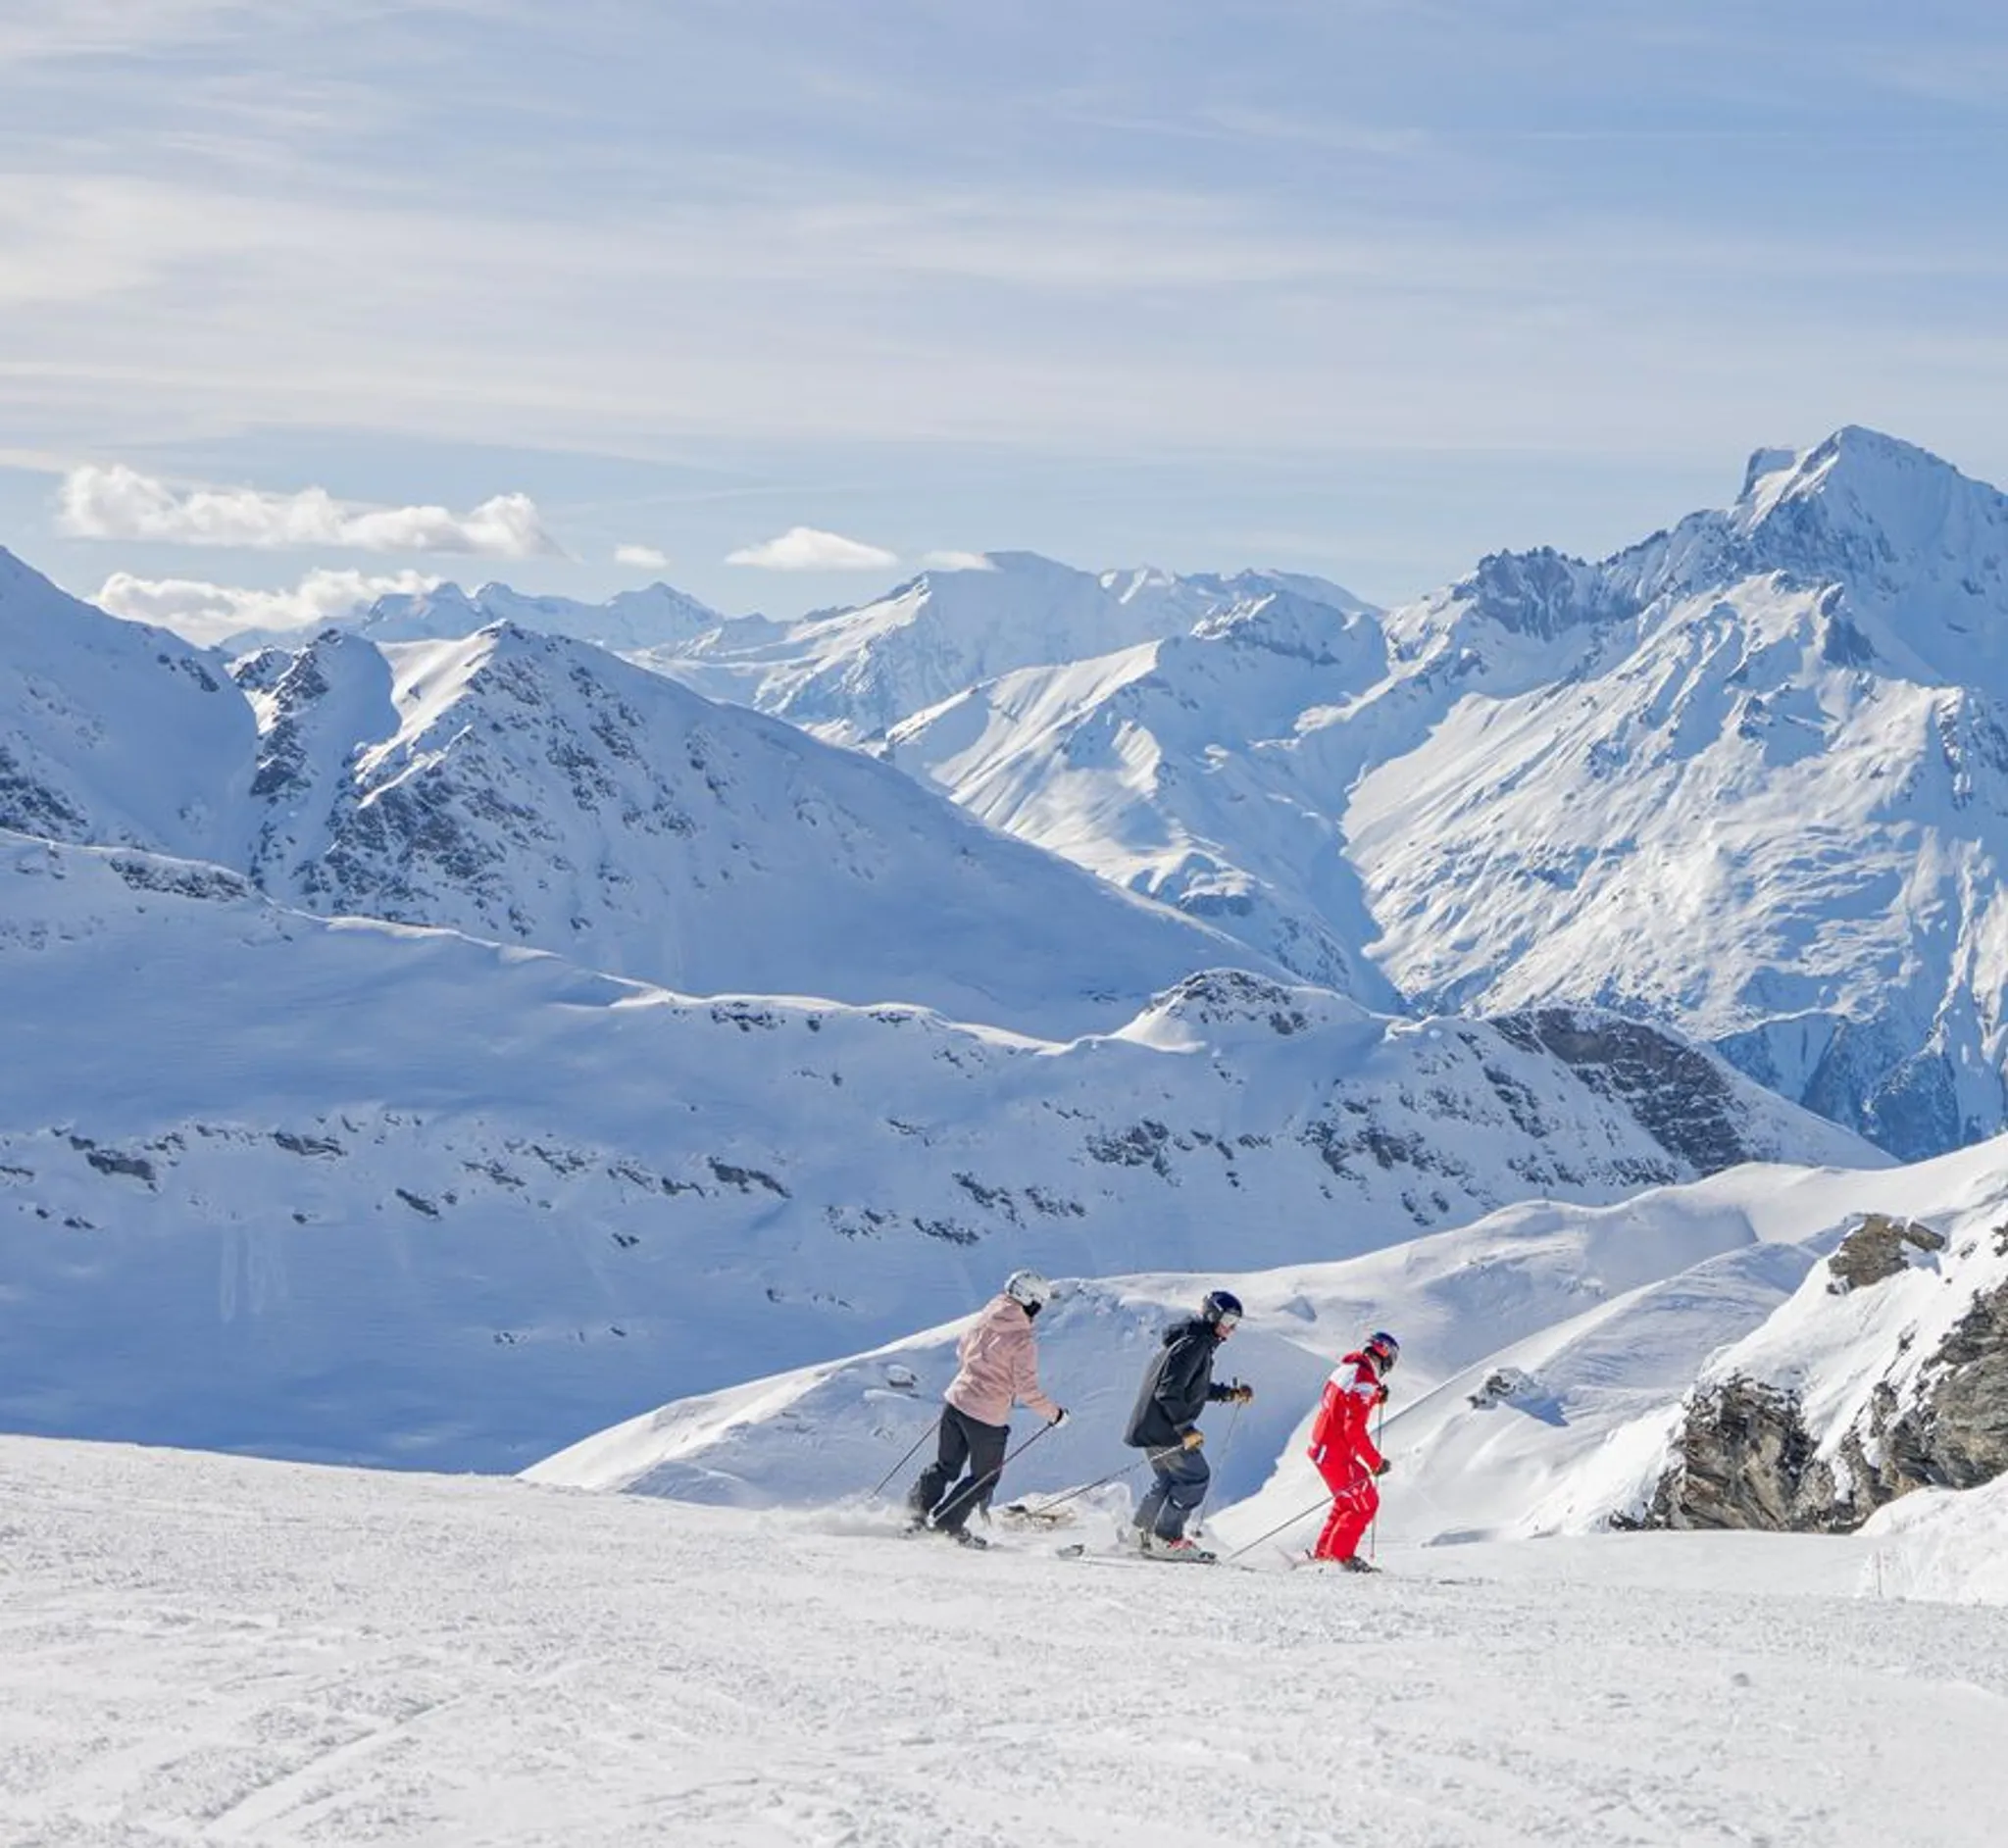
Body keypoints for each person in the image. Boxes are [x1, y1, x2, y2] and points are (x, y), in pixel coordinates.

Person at [908, 1269, 1066, 1548]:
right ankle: (947, 1523)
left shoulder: (986, 1317)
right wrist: (1055, 1415)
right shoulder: (1022, 1340)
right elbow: (1027, 1390)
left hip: (956, 1402)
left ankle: (913, 1514)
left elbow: (962, 1351)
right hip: (986, 1417)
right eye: (1038, 1303)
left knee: (945, 1466)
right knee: (985, 1477)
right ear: (1029, 1300)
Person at [1123, 1289, 1254, 1558]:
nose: (1232, 1328)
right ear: (1213, 1315)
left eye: (1235, 1323)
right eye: (1228, 1320)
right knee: (1195, 1478)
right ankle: (1166, 1538)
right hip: (1166, 1428)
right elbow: (1169, 1391)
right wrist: (1186, 1428)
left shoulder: (1192, 1341)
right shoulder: (1195, 1344)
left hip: (1153, 1425)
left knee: (1169, 1479)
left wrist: (1229, 1394)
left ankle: (1140, 1533)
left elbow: (1193, 1387)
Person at [1306, 1329, 1398, 1571]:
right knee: (1366, 1503)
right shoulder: (1364, 1380)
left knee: (1347, 1502)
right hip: (1336, 1453)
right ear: (1385, 1357)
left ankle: (1325, 1555)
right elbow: (1354, 1429)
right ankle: (1341, 1558)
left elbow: (1343, 1402)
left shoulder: (1347, 1369)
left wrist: (1375, 1396)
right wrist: (1375, 1462)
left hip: (1323, 1447)